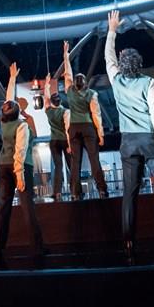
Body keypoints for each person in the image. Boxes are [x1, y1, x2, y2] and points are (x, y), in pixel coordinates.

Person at [106, 10, 154, 258]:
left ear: (122, 65)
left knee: (129, 194)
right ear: (139, 64)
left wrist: (112, 31)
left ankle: (128, 241)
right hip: (150, 141)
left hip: (128, 143)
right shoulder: (149, 82)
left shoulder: (116, 79)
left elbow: (108, 57)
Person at [0, 63, 44, 259]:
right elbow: (20, 152)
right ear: (16, 111)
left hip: (3, 166)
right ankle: (38, 248)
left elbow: (8, 99)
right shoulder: (22, 125)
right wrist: (20, 175)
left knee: (3, 207)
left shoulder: (3, 121)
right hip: (20, 167)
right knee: (27, 207)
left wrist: (12, 78)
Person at [61, 40, 109, 200]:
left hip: (74, 128)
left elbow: (67, 73)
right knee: (94, 159)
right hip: (88, 127)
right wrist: (100, 134)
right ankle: (102, 190)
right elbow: (96, 115)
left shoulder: (69, 90)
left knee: (75, 162)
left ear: (74, 83)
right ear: (85, 83)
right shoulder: (92, 94)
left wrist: (66, 55)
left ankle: (75, 193)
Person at [43, 80, 69, 201]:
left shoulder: (48, 111)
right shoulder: (65, 112)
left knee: (58, 167)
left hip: (54, 141)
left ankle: (57, 192)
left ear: (51, 102)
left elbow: (46, 98)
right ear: (60, 102)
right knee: (71, 166)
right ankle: (75, 189)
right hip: (64, 140)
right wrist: (70, 145)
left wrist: (47, 84)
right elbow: (67, 129)